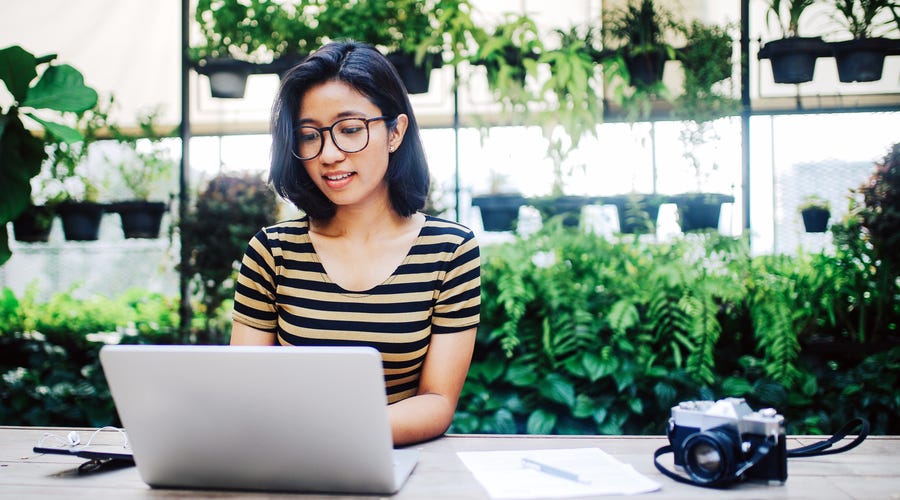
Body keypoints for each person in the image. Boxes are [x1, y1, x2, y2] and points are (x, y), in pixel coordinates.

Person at [230, 40, 481, 446]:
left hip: (391, 463)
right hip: (290, 464)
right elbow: (243, 389)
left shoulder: (449, 250)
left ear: (395, 132)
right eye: (310, 135)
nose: (328, 154)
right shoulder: (271, 252)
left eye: (349, 130)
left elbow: (436, 400)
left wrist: (334, 434)